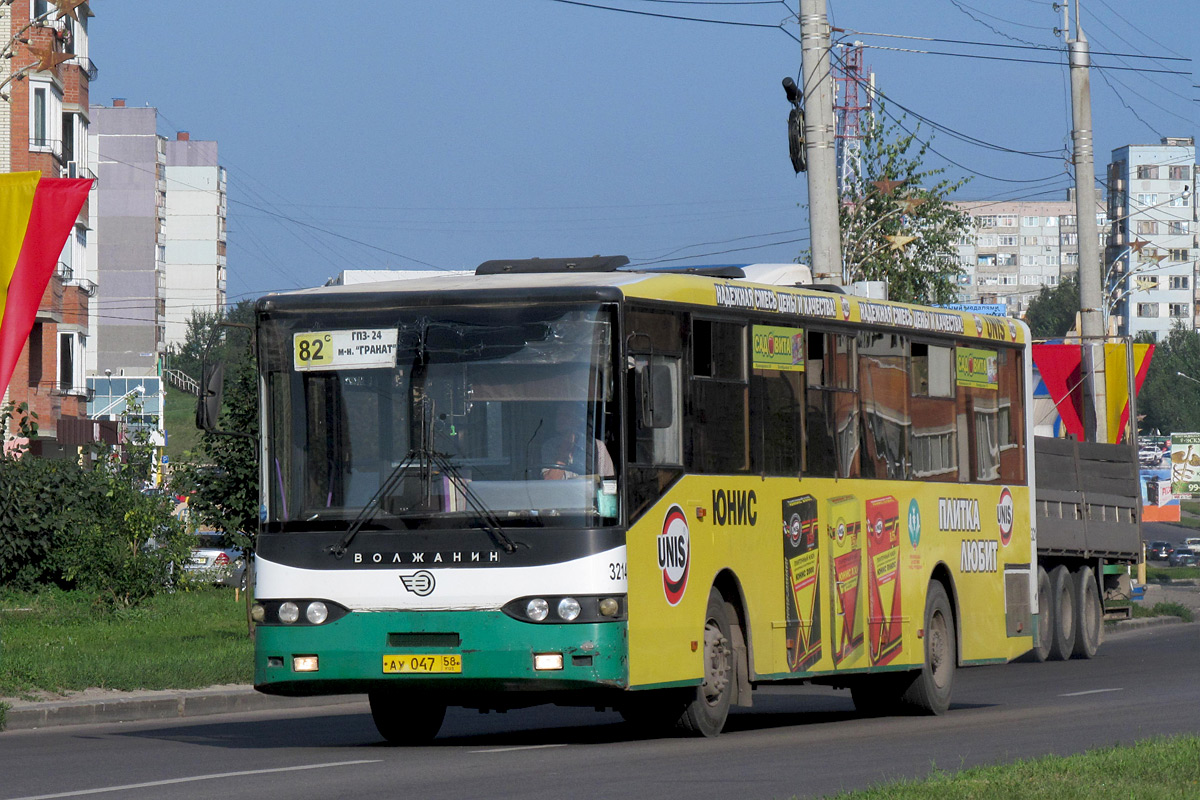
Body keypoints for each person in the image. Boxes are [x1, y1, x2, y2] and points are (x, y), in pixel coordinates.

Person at [541, 403, 614, 479]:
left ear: (578, 421)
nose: (560, 419)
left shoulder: (597, 447)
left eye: (566, 416)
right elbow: (550, 482)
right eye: (559, 415)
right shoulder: (549, 446)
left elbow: (608, 482)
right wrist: (562, 453)